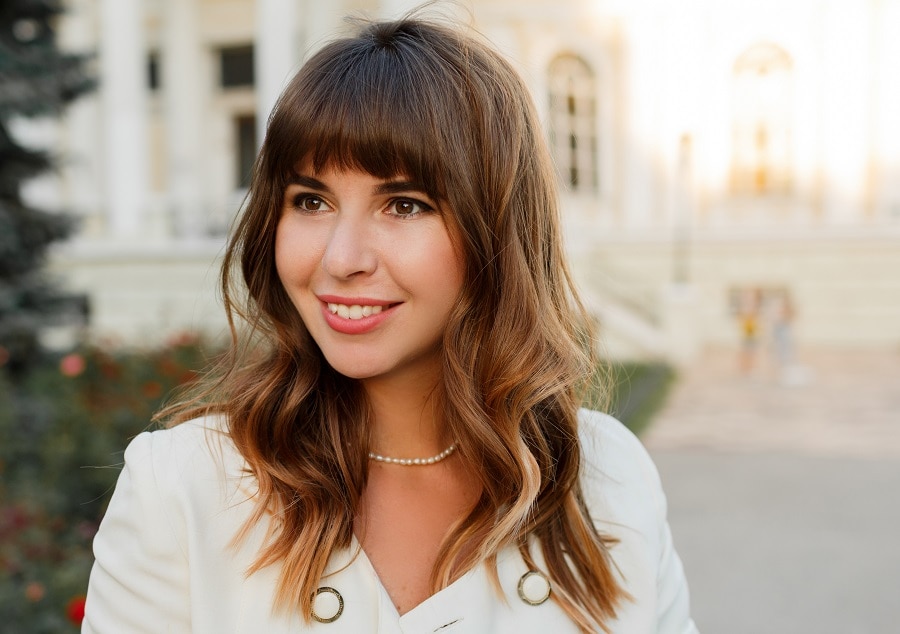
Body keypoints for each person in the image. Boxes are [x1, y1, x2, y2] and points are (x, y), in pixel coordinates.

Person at [83, 16, 697, 634]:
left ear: (497, 232)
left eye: (404, 205)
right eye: (311, 201)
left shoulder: (608, 478)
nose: (341, 259)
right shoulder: (183, 489)